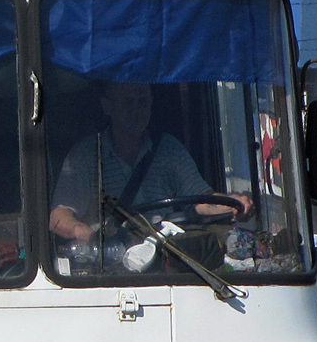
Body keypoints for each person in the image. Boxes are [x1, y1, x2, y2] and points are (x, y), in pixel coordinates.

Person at [50, 81, 252, 243]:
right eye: (129, 102)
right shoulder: (85, 156)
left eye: (143, 102)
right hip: (111, 259)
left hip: (167, 252)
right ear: (107, 106)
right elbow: (58, 216)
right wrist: (82, 231)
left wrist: (231, 204)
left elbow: (201, 200)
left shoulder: (169, 149)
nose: (137, 110)